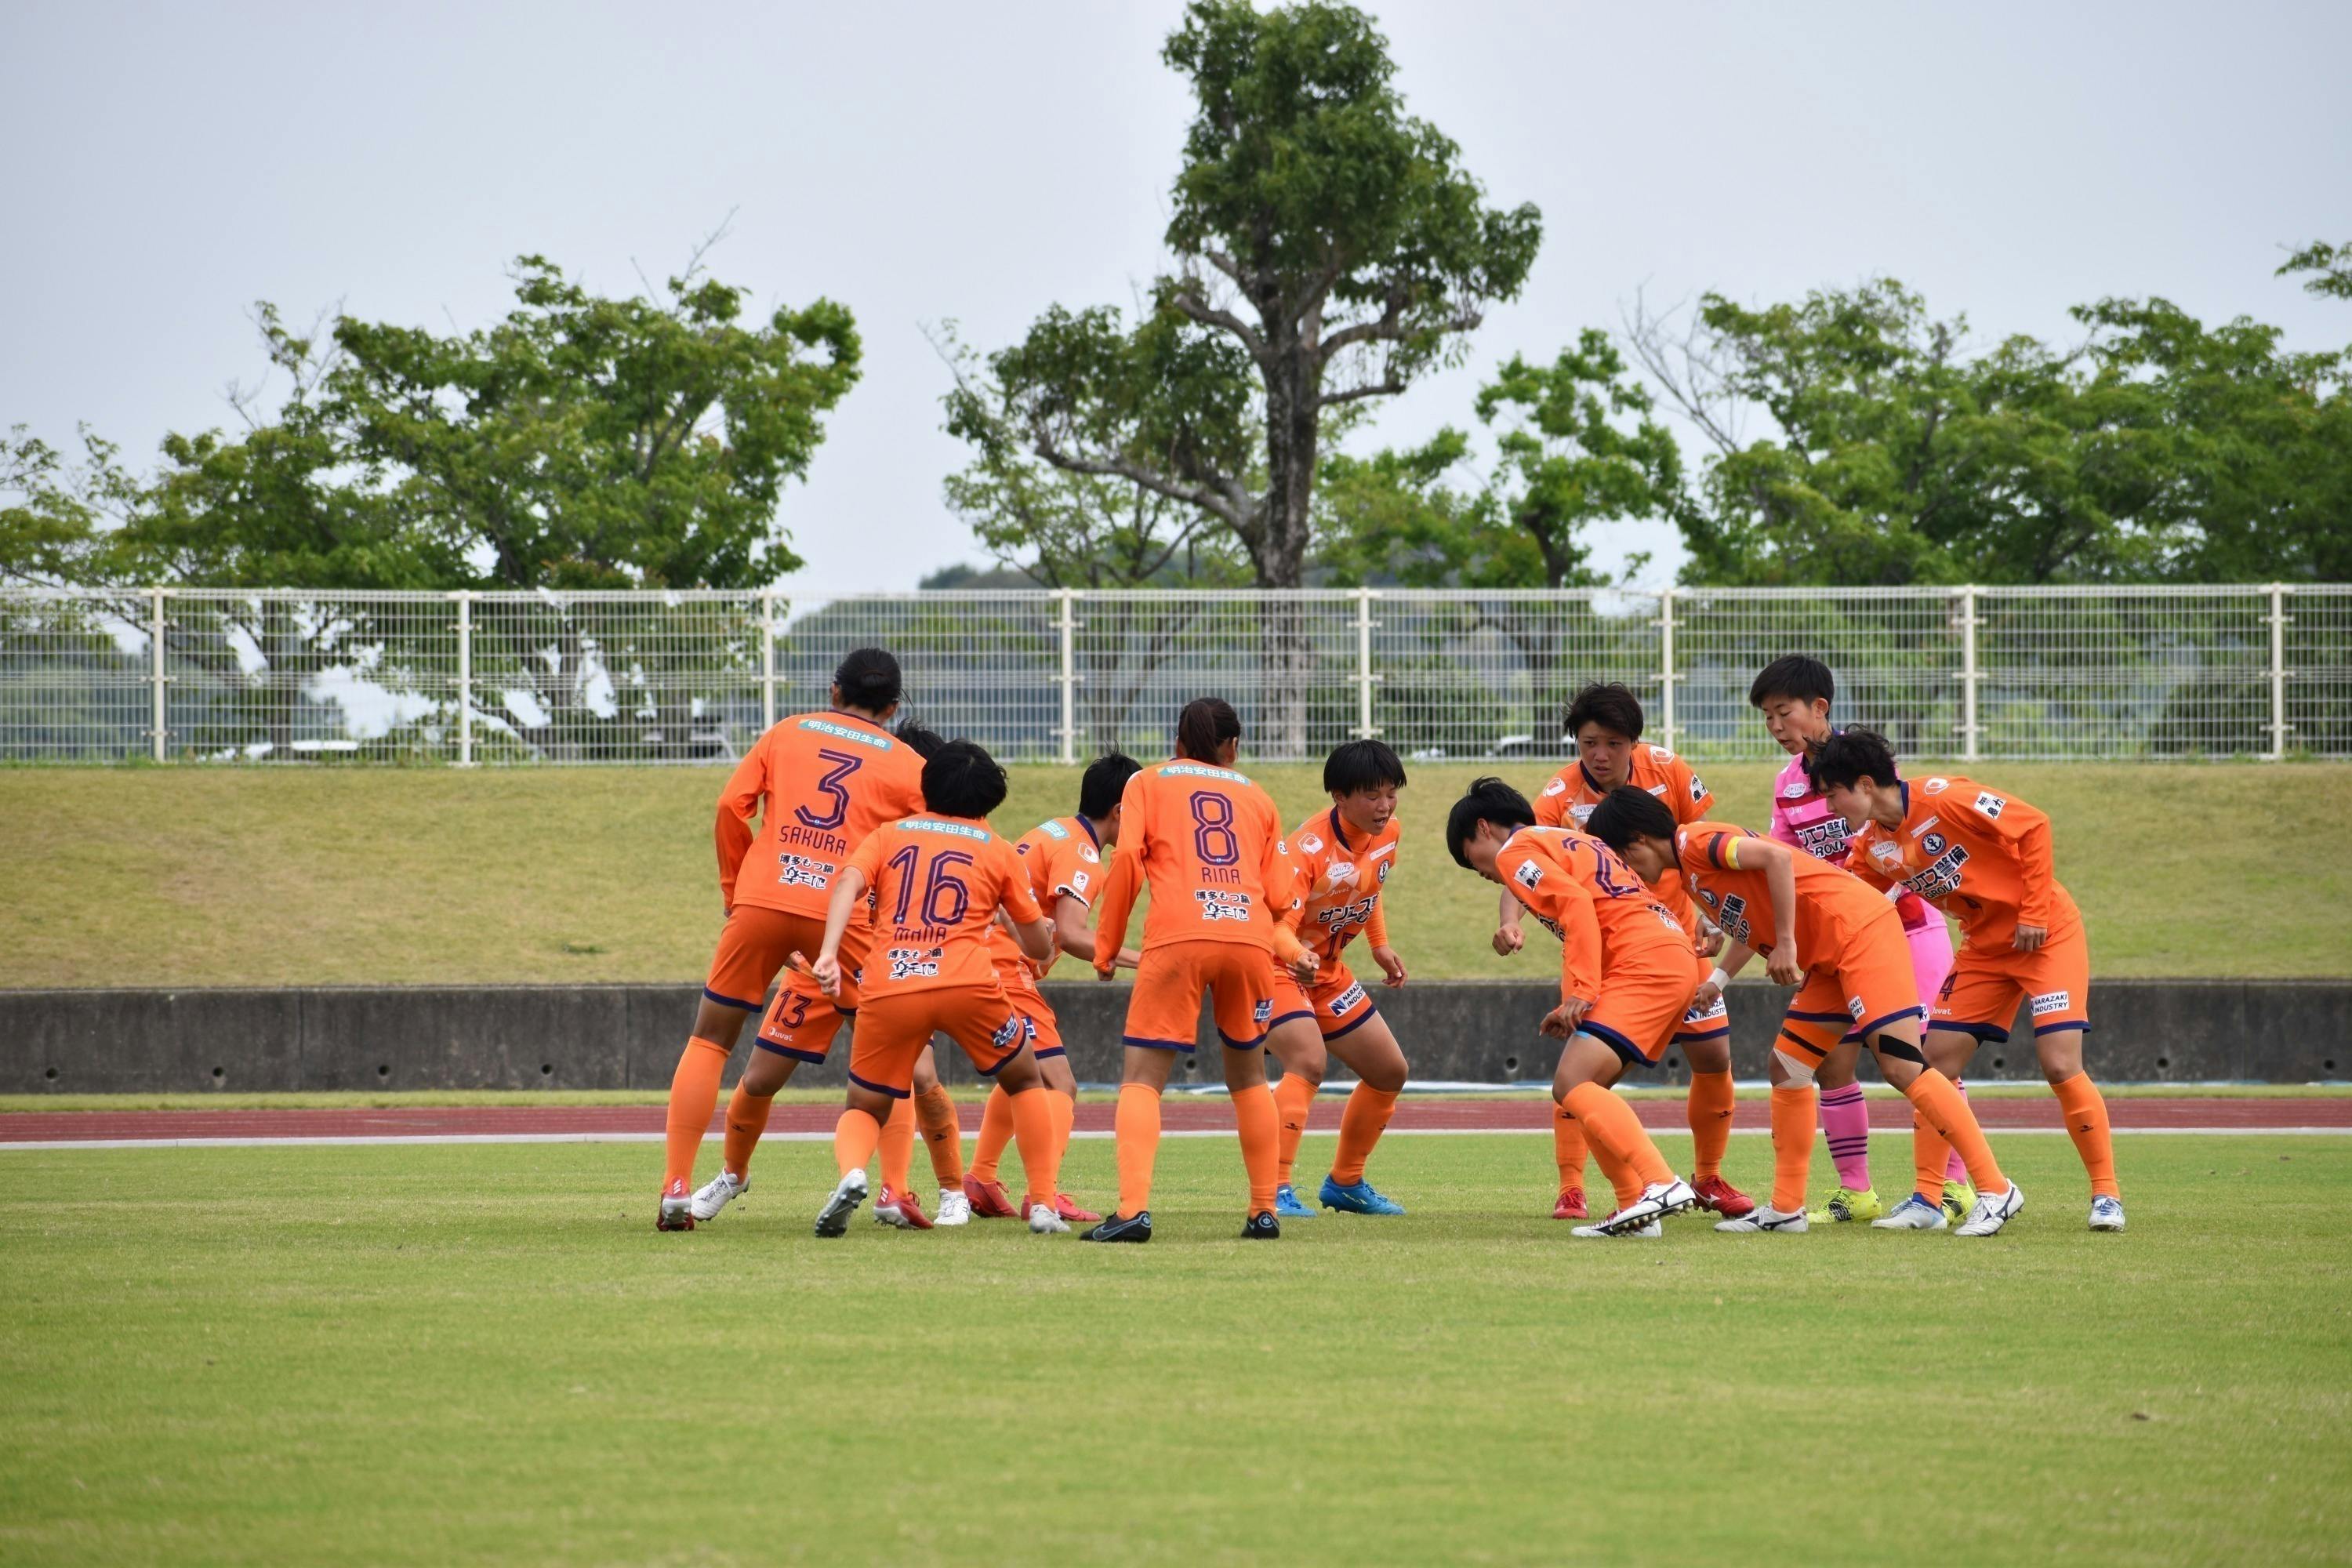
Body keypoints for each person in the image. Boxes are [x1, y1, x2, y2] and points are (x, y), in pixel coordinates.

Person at [1587, 787, 2026, 1236]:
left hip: (1861, 934)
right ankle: (1786, 1209)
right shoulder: (1690, 873)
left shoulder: (1696, 842)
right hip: (1831, 956)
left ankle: (1996, 1189)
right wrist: (1719, 975)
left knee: (1902, 1065)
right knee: (1788, 1066)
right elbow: (1754, 911)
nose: (1628, 871)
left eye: (1621, 858)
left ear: (1638, 839)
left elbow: (1777, 861)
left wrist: (1786, 944)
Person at [1810, 730, 2125, 1233]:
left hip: (2046, 934)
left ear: (1865, 784)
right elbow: (1843, 906)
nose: (1827, 804)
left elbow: (2034, 826)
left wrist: (2035, 911)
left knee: (2060, 1064)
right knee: (1933, 1061)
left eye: (1832, 793)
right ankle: (1927, 1200)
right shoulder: (1872, 848)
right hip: (1983, 949)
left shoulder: (1944, 795)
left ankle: (2106, 1196)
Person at [655, 648, 924, 1232]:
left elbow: (732, 805)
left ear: (834, 692)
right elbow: (917, 849)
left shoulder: (786, 732)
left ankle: (675, 1184)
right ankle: (896, 1191)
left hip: (765, 899)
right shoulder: (907, 763)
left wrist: (736, 886)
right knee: (889, 1052)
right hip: (844, 916)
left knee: (710, 1040)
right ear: (894, 707)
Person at [688, 722, 965, 1230]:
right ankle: (732, 1174)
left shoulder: (929, 839)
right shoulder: (875, 827)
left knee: (915, 1074)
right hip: (823, 962)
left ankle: (929, 1191)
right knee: (758, 1077)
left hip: (877, 967)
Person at [1496, 683, 1751, 1222]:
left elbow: (1694, 847)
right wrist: (1509, 920)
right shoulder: (1557, 798)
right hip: (1610, 952)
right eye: (1589, 743)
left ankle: (1707, 1177)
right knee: (1587, 1073)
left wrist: (1709, 914)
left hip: (1679, 941)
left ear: (1634, 742)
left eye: (1613, 742)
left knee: (1713, 1057)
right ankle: (1574, 1187)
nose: (1600, 755)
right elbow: (1522, 859)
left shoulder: (1669, 770)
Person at [805, 739, 1073, 1237]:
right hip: (967, 984)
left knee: (864, 1104)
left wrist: (828, 952)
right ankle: (1042, 1204)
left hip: (889, 984)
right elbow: (1036, 944)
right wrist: (1028, 934)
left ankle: (853, 1175)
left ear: (926, 787)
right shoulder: (995, 848)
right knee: (1025, 1081)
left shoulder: (888, 835)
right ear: (990, 798)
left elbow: (846, 883)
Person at [1749, 655, 1970, 1225]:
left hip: (1907, 929)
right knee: (1829, 1064)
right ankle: (1857, 1191)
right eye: (1767, 717)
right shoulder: (1785, 784)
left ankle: (1956, 1186)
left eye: (1784, 712)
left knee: (1921, 1060)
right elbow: (1785, 862)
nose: (1777, 726)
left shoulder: (1865, 764)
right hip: (1835, 942)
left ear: (1819, 708)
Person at [1080, 698, 1299, 1243]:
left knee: (1143, 1079)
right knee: (1249, 1077)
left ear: (1177, 743)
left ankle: (1132, 1211)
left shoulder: (1146, 784)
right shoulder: (1259, 797)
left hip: (1178, 935)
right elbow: (1280, 893)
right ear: (1233, 748)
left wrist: (1106, 947)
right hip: (1249, 939)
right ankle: (1263, 1210)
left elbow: (1127, 863)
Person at [1446, 779, 1701, 1238]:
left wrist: (1582, 991)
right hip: (1669, 954)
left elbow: (1578, 905)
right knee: (1586, 1090)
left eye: (1471, 859)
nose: (1482, 872)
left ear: (1483, 828)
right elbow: (1588, 918)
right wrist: (1576, 1002)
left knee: (1572, 1083)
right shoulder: (1568, 839)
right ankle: (1634, 1207)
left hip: (1643, 961)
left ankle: (1660, 1182)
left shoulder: (1514, 850)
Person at [960, 752, 1146, 1225]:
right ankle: (1046, 1194)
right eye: (1143, 809)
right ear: (1121, 811)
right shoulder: (1083, 852)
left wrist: (1102, 954)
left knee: (1023, 1072)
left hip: (986, 958)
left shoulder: (1054, 829)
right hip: (1006, 966)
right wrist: (1141, 961)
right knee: (1059, 1081)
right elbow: (1073, 934)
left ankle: (981, 1177)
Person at [1264, 739, 1415, 1219]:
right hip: (1276, 967)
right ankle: (1274, 1188)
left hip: (1327, 972)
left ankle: (1346, 1183)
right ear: (1339, 796)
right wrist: (1297, 957)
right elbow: (1277, 928)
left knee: (1390, 1071)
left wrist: (1379, 944)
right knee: (1308, 1061)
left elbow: (1369, 885)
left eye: (1391, 793)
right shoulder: (1304, 849)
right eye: (1372, 795)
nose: (1384, 805)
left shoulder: (1389, 831)